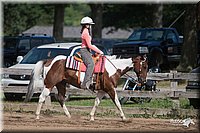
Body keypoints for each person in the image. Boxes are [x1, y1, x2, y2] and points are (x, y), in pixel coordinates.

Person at [80, 16, 104, 92]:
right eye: (89, 24)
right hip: (85, 50)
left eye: (90, 24)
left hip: (87, 50)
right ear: (86, 25)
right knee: (91, 64)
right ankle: (85, 83)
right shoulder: (86, 33)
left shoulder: (85, 31)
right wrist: (99, 51)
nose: (90, 26)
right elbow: (89, 45)